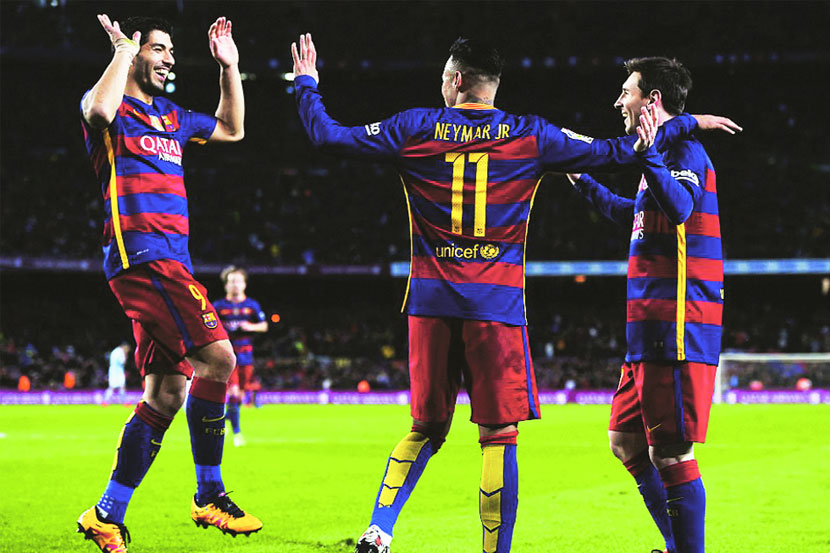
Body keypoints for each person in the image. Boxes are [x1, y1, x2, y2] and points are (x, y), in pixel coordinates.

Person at [291, 34, 737, 553]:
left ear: (457, 80)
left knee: (425, 427)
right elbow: (620, 152)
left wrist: (307, 84)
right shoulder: (531, 134)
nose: (619, 100)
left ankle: (380, 527)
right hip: (497, 306)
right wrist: (686, 122)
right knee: (500, 435)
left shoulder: (414, 126)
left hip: (431, 302)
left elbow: (326, 135)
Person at [76, 14, 261, 552]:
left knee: (166, 393)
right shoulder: (112, 106)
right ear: (135, 52)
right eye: (159, 49)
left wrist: (229, 67)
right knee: (220, 360)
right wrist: (121, 51)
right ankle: (210, 494)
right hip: (143, 257)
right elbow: (97, 110)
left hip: (172, 260)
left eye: (172, 51)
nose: (170, 59)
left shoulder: (172, 117)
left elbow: (232, 128)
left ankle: (106, 514)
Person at [568, 57, 738, 553]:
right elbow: (636, 215)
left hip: (677, 325)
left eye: (627, 92)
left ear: (652, 100)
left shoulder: (683, 151)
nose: (618, 101)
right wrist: (581, 180)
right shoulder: (660, 154)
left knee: (671, 452)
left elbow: (681, 208)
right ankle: (674, 543)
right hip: (646, 331)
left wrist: (648, 158)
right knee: (625, 441)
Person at [213, 266, 268, 446]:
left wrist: (250, 327)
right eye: (231, 282)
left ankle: (224, 419)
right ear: (226, 285)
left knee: (239, 397)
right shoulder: (218, 306)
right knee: (234, 393)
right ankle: (237, 434)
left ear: (244, 284)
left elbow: (264, 326)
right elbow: (208, 327)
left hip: (246, 356)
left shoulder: (251, 305)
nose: (235, 285)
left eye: (238, 281)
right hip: (227, 356)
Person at [103, 341, 132, 406]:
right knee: (121, 386)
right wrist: (126, 355)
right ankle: (124, 401)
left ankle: (105, 401)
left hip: (112, 371)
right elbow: (123, 362)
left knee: (112, 387)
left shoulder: (115, 351)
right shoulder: (121, 352)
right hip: (118, 371)